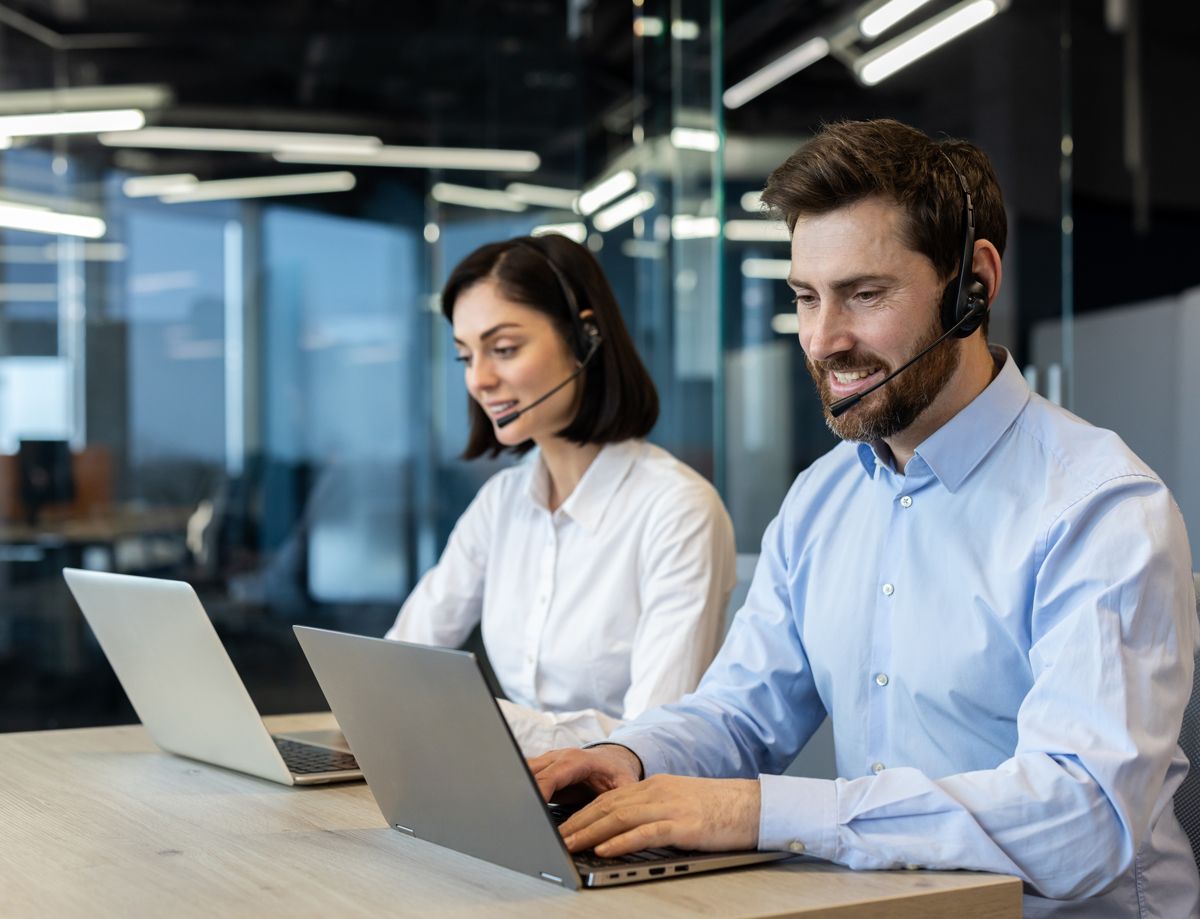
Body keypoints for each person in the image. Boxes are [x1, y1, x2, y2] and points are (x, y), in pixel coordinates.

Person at [530, 120, 1200, 918]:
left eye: (864, 294)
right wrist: (627, 757)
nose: (821, 339)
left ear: (973, 284)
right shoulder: (822, 499)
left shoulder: (1098, 506)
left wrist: (759, 811)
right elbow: (741, 712)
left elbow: (1083, 814)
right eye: (806, 297)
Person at [385, 234, 735, 756]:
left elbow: (653, 741)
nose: (479, 380)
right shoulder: (502, 502)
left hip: (623, 812)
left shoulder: (677, 509)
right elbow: (396, 664)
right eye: (465, 356)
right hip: (510, 792)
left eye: (503, 349)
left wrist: (486, 723)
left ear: (584, 337)